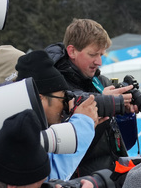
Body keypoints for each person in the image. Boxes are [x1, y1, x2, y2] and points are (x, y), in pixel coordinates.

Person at [45, 19, 137, 176]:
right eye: (93, 54)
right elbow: (65, 148)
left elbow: (126, 143)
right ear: (72, 51)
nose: (99, 62)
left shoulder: (100, 82)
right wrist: (100, 103)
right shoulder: (55, 90)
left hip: (112, 178)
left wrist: (125, 115)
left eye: (101, 54)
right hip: (80, 184)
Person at [12, 49, 98, 180]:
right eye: (62, 99)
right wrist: (82, 124)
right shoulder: (17, 135)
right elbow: (53, 176)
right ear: (40, 99)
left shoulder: (18, 124)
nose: (65, 105)